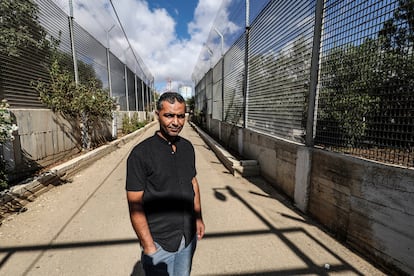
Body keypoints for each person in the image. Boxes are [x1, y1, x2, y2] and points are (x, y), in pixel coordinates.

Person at [126, 92, 205, 276]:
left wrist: (198, 217)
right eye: (169, 115)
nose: (176, 122)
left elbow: (193, 183)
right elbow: (134, 203)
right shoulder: (141, 154)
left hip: (187, 236)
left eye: (180, 116)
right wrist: (149, 246)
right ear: (157, 115)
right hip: (160, 242)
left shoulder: (187, 147)